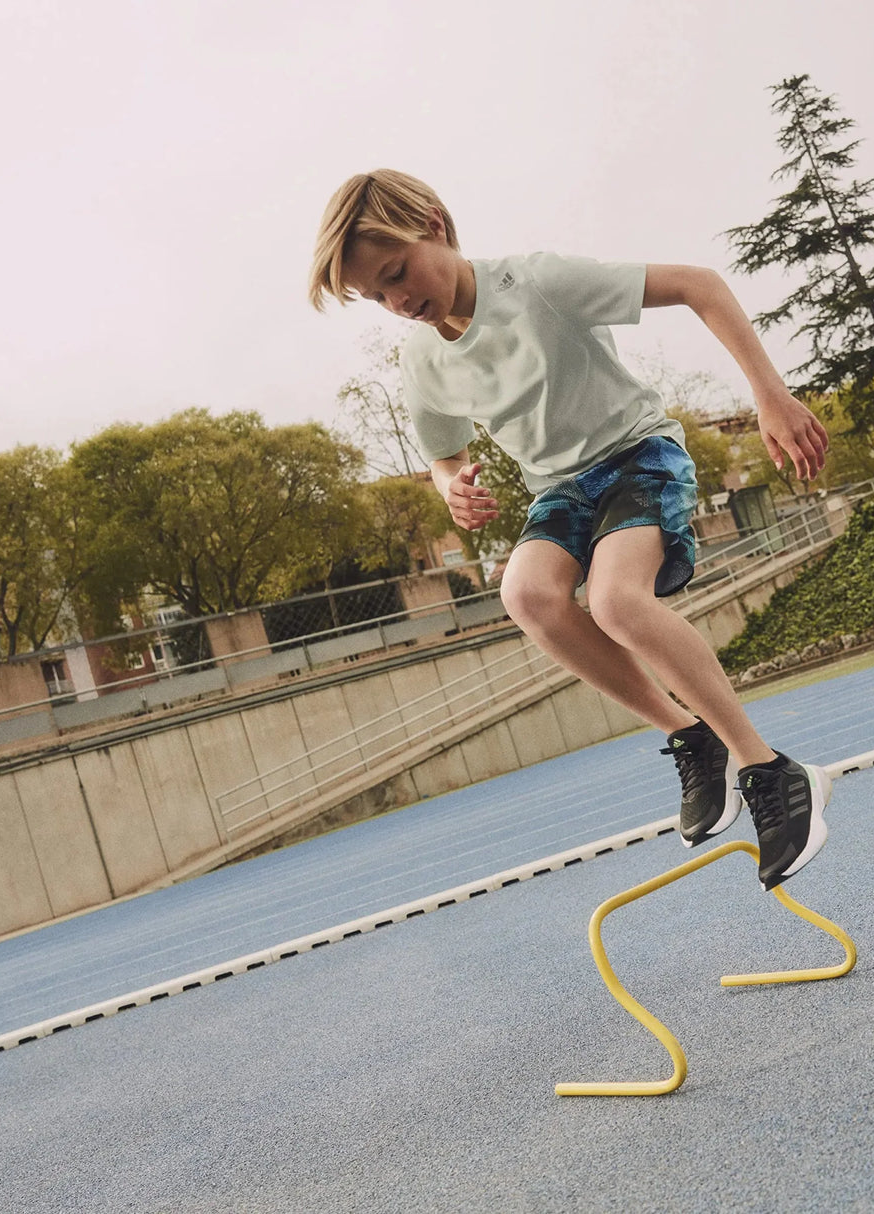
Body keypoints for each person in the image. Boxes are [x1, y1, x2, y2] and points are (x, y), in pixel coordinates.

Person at [309, 169, 832, 890]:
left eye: (396, 274)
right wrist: (451, 486)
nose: (397, 302)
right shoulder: (423, 358)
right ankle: (689, 735)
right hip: (560, 488)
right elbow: (443, 452)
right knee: (526, 595)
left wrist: (770, 396)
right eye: (376, 297)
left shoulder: (538, 284)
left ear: (433, 224)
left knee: (616, 601)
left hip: (638, 455)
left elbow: (699, 285)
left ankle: (768, 768)